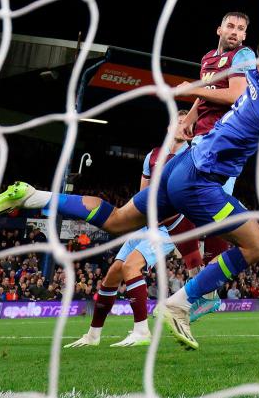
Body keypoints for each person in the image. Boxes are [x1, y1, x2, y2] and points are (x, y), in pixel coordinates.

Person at [0, 32, 259, 350]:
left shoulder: (255, 79)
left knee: (115, 220)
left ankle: (32, 196)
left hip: (178, 168)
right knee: (257, 245)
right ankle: (181, 302)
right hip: (199, 181)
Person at [66, 110, 193, 348]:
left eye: (187, 124)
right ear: (168, 127)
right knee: (113, 273)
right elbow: (142, 195)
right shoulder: (152, 156)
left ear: (190, 132)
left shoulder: (192, 157)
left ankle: (142, 331)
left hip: (172, 226)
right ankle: (93, 335)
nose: (181, 126)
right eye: (178, 121)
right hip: (147, 224)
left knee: (131, 266)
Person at [173, 11, 256, 321]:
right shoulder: (209, 57)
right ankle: (205, 287)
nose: (234, 32)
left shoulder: (243, 55)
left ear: (245, 35)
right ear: (219, 28)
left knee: (206, 213)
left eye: (241, 28)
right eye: (230, 26)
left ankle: (207, 291)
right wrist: (189, 120)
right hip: (202, 141)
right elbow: (206, 96)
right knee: (191, 209)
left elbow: (236, 95)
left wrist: (192, 89)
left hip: (222, 143)